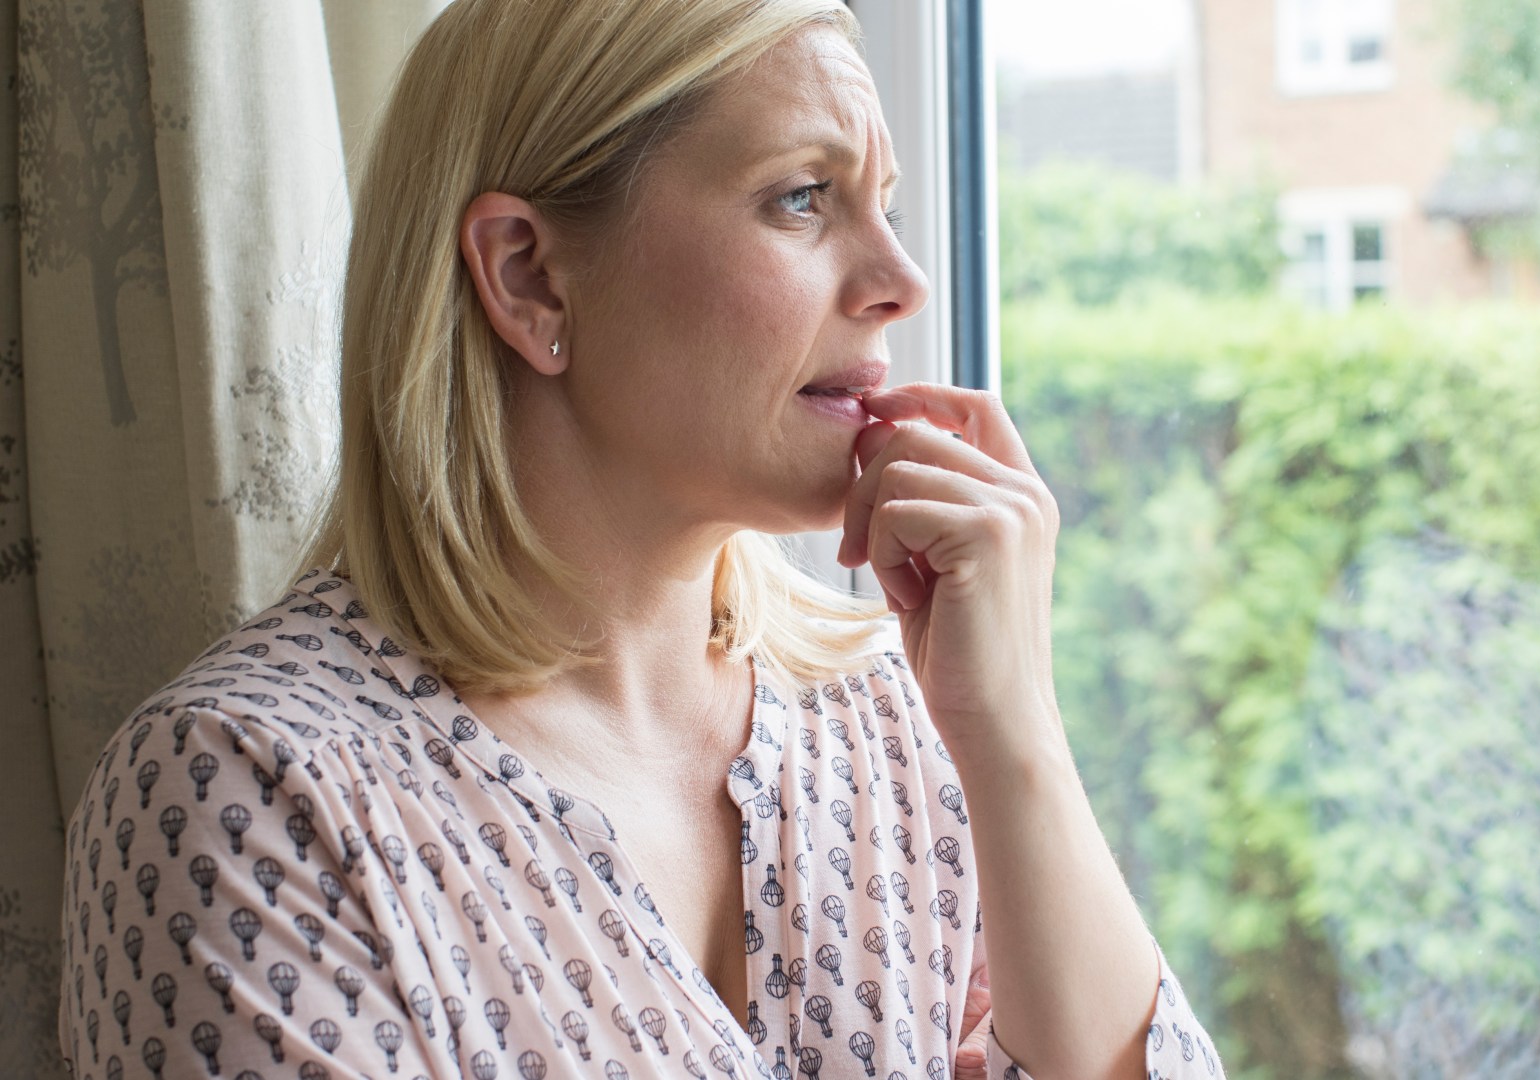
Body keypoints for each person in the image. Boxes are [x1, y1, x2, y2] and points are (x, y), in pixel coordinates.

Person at [56, 1, 1225, 1078]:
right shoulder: (250, 796)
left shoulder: (895, 718)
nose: (903, 280)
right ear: (530, 280)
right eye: (803, 198)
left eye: (889, 202)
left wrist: (1014, 726)